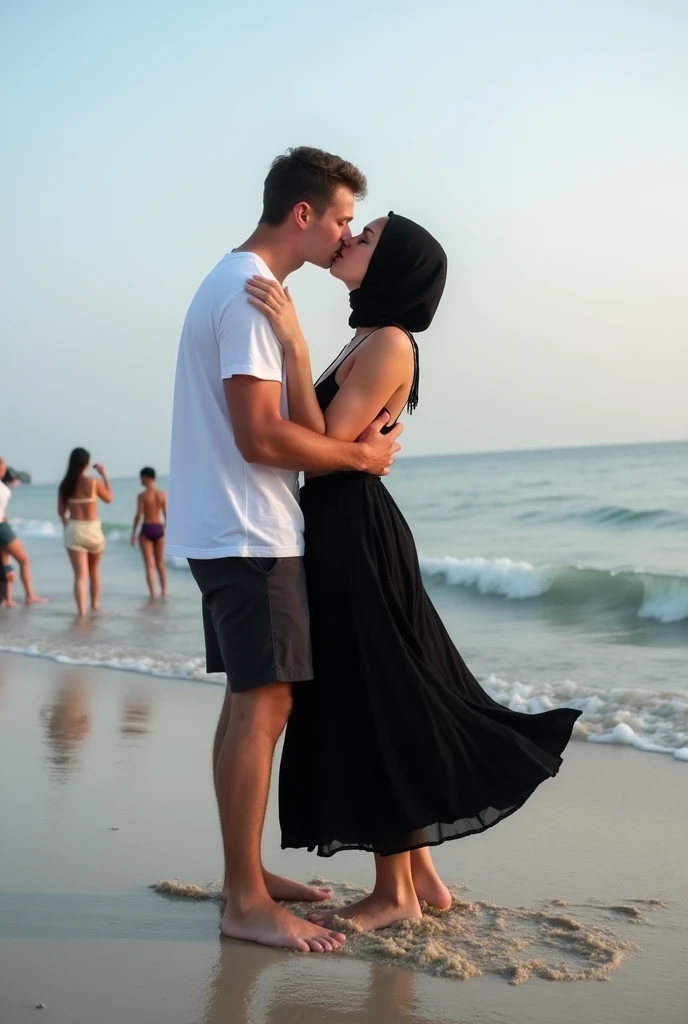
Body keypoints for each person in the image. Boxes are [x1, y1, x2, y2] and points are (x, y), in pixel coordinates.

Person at [245, 211, 583, 932]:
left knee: (377, 694)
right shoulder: (370, 337)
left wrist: (295, 348)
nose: (349, 240)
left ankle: (394, 894)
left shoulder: (392, 343)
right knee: (389, 684)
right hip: (342, 528)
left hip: (354, 534)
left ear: (394, 266)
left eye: (365, 238)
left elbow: (320, 445)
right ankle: (422, 877)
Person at [166, 146, 403, 953]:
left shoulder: (237, 285)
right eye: (340, 218)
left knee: (251, 702)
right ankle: (242, 897)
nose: (343, 235)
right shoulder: (246, 295)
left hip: (228, 527)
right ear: (302, 214)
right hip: (247, 532)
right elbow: (262, 434)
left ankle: (248, 873)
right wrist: (362, 458)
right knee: (265, 705)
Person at [57, 449, 113, 616]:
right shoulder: (94, 482)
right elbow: (109, 498)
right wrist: (104, 475)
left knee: (80, 576)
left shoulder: (65, 484)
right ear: (87, 464)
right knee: (94, 571)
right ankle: (95, 606)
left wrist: (68, 523)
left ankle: (81, 613)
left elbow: (61, 513)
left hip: (74, 529)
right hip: (93, 529)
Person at [0, 455, 47, 605]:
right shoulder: (4, 490)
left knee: (4, 562)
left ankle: (8, 599)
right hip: (1, 528)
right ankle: (30, 595)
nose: (5, 468)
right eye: (3, 466)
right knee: (24, 560)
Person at [131, 467, 168, 598]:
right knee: (160, 564)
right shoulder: (162, 494)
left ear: (147, 477)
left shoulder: (142, 496)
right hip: (159, 529)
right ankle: (164, 593)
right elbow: (166, 515)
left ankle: (153, 594)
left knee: (149, 564)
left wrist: (133, 534)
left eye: (141, 478)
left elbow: (138, 515)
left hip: (147, 529)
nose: (140, 480)